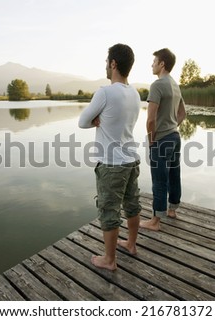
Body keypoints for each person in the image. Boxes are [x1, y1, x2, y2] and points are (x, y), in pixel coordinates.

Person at [78, 44, 142, 271]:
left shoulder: (104, 92)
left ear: (113, 63)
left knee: (109, 210)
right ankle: (131, 245)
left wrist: (95, 119)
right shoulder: (135, 93)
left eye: (107, 61)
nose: (106, 65)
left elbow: (82, 122)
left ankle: (109, 260)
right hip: (131, 159)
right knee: (132, 204)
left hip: (111, 164)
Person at [140, 48, 186, 231]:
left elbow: (150, 119)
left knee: (159, 180)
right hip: (175, 137)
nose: (152, 65)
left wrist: (152, 140)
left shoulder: (157, 85)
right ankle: (172, 210)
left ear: (162, 64)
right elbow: (183, 113)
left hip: (161, 139)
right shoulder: (175, 84)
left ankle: (155, 221)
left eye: (154, 61)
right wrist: (173, 126)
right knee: (174, 175)